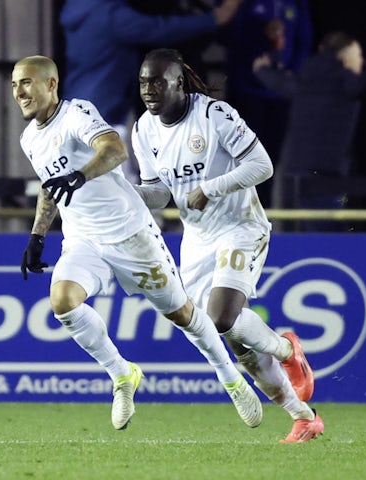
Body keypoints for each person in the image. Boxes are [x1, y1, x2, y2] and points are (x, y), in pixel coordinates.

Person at [12, 54, 263, 431]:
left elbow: (115, 149)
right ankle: (122, 374)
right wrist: (36, 236)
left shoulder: (77, 113)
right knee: (62, 302)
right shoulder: (29, 138)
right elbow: (50, 187)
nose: (19, 92)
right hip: (83, 239)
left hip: (131, 233)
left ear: (51, 84)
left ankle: (231, 378)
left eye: (27, 82)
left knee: (182, 315)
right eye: (15, 84)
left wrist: (80, 177)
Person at [130, 48, 324, 443]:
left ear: (178, 82)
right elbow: (158, 193)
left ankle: (288, 351)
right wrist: (124, 195)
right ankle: (303, 416)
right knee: (238, 344)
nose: (149, 90)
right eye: (143, 82)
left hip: (240, 227)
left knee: (220, 318)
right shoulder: (142, 130)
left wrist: (211, 187)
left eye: (157, 81)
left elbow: (262, 165)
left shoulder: (214, 115)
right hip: (197, 240)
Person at [59, 0, 242, 184]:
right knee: (121, 191)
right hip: (103, 117)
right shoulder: (110, 15)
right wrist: (213, 18)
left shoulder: (78, 8)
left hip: (77, 107)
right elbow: (158, 29)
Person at [253, 31, 366, 231]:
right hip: (324, 176)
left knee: (296, 241)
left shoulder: (304, 78)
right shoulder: (346, 81)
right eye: (357, 55)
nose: (362, 61)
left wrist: (262, 70)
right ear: (345, 57)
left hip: (291, 172)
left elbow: (279, 81)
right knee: (328, 238)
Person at [223, 0, 313, 207]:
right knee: (242, 157)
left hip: (280, 93)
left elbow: (304, 38)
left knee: (271, 159)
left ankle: (264, 212)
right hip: (247, 91)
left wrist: (293, 70)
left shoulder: (297, 5)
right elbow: (228, 36)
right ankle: (237, 214)